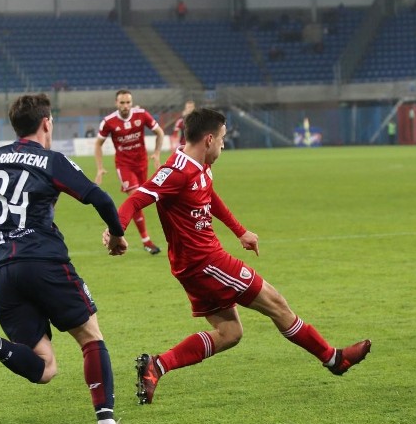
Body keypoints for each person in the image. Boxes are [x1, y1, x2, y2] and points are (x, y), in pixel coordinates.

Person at [105, 108, 371, 405]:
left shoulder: (199, 164)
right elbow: (136, 199)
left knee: (230, 332)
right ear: (208, 139)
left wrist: (240, 231)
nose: (223, 145)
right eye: (222, 139)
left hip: (192, 266)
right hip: (205, 262)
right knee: (277, 303)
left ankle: (158, 365)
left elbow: (209, 196)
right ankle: (333, 359)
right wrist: (117, 233)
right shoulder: (177, 171)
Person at [0, 93, 144, 424]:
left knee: (44, 367)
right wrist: (118, 236)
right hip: (44, 262)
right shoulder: (51, 161)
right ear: (47, 123)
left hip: (1, 272)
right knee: (91, 337)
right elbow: (101, 198)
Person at [95, 89, 165, 254]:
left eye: (128, 102)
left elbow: (159, 133)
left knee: (139, 201)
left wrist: (156, 153)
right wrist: (99, 168)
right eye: (122, 102)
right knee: (135, 198)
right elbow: (98, 144)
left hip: (141, 164)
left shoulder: (141, 115)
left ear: (131, 103)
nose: (125, 106)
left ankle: (143, 240)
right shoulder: (109, 121)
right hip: (124, 165)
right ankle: (146, 240)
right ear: (116, 103)